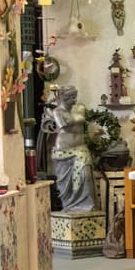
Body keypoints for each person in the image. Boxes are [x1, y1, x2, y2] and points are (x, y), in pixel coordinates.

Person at [43, 84, 96, 213]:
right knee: (65, 185)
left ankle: (86, 206)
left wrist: (73, 119)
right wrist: (75, 119)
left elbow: (73, 120)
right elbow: (63, 125)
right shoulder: (57, 111)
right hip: (63, 151)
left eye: (75, 97)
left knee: (85, 175)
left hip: (81, 148)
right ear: (62, 97)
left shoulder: (80, 108)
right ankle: (70, 206)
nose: (74, 100)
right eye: (70, 97)